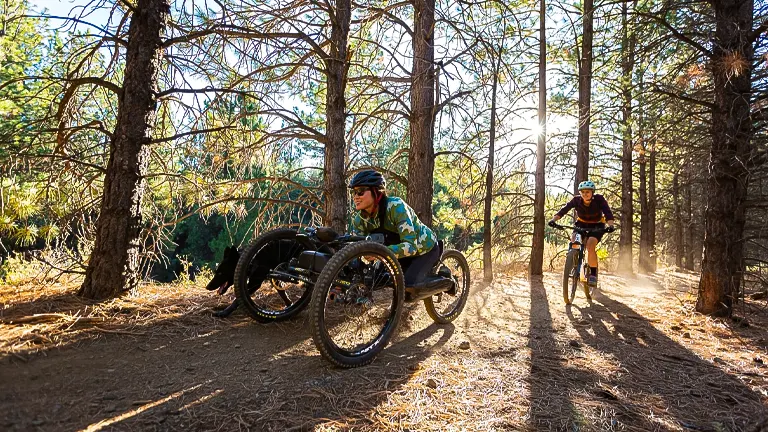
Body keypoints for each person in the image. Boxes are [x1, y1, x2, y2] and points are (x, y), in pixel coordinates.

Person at [348, 169, 439, 287]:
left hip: (423, 248)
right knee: (377, 281)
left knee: (409, 286)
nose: (355, 197)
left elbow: (411, 247)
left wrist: (379, 253)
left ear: (376, 191)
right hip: (396, 253)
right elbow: (356, 248)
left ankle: (446, 281)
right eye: (353, 192)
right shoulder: (359, 221)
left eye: (360, 191)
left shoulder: (396, 207)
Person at [548, 180, 615, 288]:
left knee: (590, 245)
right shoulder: (576, 200)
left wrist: (610, 225)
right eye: (582, 192)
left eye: (587, 192)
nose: (585, 194)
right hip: (581, 224)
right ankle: (573, 261)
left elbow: (608, 213)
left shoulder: (599, 199)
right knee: (574, 241)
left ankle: (593, 274)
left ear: (592, 192)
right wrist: (553, 220)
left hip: (597, 226)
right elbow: (564, 210)